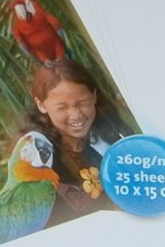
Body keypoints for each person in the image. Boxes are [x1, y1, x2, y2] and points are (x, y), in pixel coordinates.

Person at [21, 58, 138, 228]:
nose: (76, 115)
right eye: (62, 107)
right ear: (41, 105)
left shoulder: (113, 134)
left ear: (94, 96)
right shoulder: (38, 162)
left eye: (83, 103)